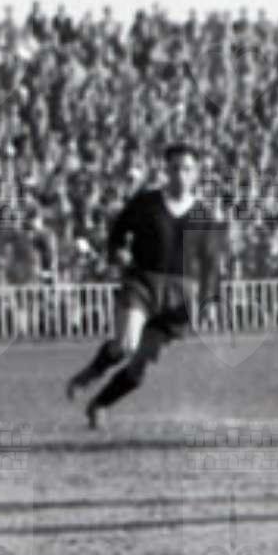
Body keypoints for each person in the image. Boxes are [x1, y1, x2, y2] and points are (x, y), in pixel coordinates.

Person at [66, 142, 222, 426]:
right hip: (143, 283)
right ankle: (91, 373)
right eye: (175, 168)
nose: (180, 175)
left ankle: (99, 405)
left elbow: (211, 263)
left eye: (187, 169)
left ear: (196, 173)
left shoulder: (204, 215)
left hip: (179, 295)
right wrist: (117, 253)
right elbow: (117, 232)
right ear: (166, 171)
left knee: (141, 365)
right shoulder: (146, 203)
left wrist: (210, 300)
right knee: (126, 344)